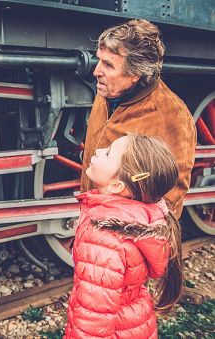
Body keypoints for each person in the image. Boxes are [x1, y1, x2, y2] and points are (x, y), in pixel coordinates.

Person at [64, 133, 184, 338]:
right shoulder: (140, 217)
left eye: (108, 153)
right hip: (133, 323)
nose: (99, 151)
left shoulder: (103, 239)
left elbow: (94, 321)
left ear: (117, 186)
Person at [81, 19, 196, 218]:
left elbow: (171, 190)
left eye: (108, 65)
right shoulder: (109, 92)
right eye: (99, 59)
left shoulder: (172, 114)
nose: (96, 71)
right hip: (96, 216)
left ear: (136, 73)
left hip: (127, 232)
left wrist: (124, 228)